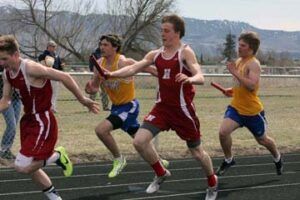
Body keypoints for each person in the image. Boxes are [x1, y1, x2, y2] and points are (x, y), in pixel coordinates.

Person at [105, 15, 218, 200]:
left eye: (166, 31)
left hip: (183, 111)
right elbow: (134, 68)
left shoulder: (185, 52)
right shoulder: (155, 54)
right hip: (162, 108)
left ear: (177, 33)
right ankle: (161, 172)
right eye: (162, 30)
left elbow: (200, 75)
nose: (162, 34)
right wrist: (111, 74)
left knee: (197, 152)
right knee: (139, 141)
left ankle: (212, 182)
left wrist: (190, 79)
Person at [0, 35, 99, 200]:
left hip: (43, 120)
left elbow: (65, 76)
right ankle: (54, 197)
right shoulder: (7, 73)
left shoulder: (31, 68)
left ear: (16, 54)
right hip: (29, 121)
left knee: (21, 166)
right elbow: (6, 100)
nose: (2, 63)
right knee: (30, 166)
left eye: (4, 58)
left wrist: (83, 100)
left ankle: (58, 155)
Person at [85, 34, 166, 179]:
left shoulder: (123, 62)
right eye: (101, 44)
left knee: (101, 130)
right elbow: (94, 88)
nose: (101, 47)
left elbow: (150, 69)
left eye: (105, 45)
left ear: (115, 47)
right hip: (116, 107)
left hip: (129, 106)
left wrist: (168, 77)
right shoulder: (99, 64)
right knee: (139, 138)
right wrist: (89, 89)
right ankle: (158, 160)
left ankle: (119, 159)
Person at [215, 31, 283, 176]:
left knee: (263, 140)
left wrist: (234, 72)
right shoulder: (240, 61)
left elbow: (251, 86)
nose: (238, 48)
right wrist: (231, 90)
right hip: (236, 108)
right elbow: (240, 85)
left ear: (251, 48)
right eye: (238, 45)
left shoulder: (254, 64)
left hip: (252, 112)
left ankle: (277, 157)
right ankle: (229, 159)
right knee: (223, 132)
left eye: (242, 45)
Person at [0, 56, 21, 160]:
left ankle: (7, 149)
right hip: (3, 99)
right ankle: (3, 149)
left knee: (14, 125)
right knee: (11, 125)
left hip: (16, 98)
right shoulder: (3, 66)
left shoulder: (14, 63)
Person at [38, 40, 65, 113]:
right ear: (48, 47)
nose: (54, 48)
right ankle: (45, 107)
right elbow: (40, 60)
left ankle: (52, 107)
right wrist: (46, 59)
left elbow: (59, 66)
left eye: (54, 46)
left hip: (55, 77)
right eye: (52, 46)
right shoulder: (43, 55)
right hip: (48, 77)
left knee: (55, 93)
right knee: (46, 93)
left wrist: (61, 67)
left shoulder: (56, 56)